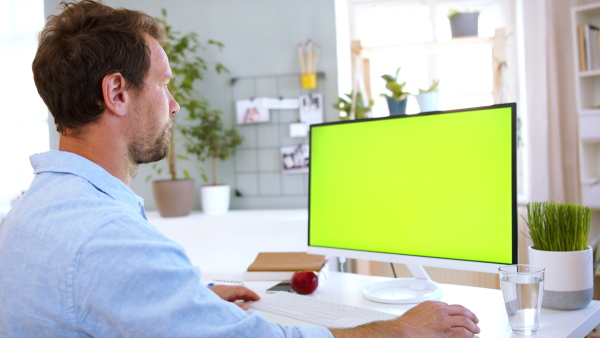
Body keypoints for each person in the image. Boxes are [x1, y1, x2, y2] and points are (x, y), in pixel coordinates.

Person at [0, 1, 480, 337]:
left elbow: (97, 292)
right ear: (118, 93)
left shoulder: (29, 214)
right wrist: (398, 330)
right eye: (163, 85)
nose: (175, 104)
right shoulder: (106, 238)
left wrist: (189, 298)